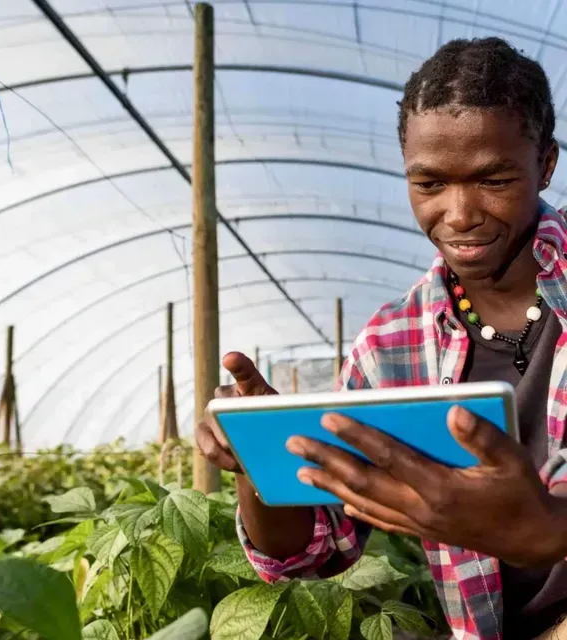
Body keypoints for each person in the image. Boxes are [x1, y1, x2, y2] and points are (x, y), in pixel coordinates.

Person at [196, 36, 567, 639]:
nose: (459, 213)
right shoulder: (391, 344)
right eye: (429, 185)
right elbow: (315, 553)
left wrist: (553, 529)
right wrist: (260, 463)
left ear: (545, 164)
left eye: (494, 179)